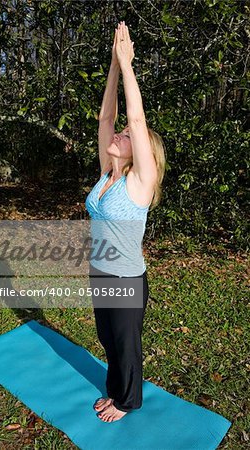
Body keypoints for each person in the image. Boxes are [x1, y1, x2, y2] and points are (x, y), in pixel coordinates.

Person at [85, 21, 166, 423]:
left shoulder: (139, 182)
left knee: (125, 343)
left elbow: (134, 119)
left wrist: (130, 65)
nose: (119, 132)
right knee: (108, 341)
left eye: (128, 135)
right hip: (99, 272)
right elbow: (106, 117)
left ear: (141, 152)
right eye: (119, 133)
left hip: (126, 279)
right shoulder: (107, 174)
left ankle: (128, 401)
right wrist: (115, 65)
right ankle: (115, 389)